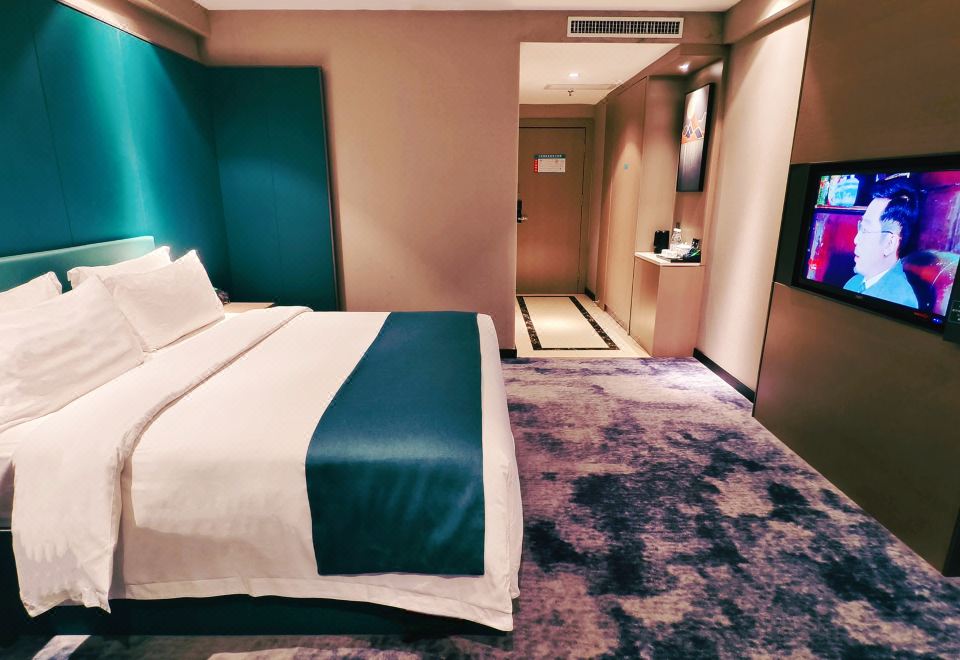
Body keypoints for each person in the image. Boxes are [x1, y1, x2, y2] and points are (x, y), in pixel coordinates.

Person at [843, 177, 920, 309]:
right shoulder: (854, 282)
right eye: (860, 227)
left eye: (866, 230)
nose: (856, 239)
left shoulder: (900, 301)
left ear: (890, 243)